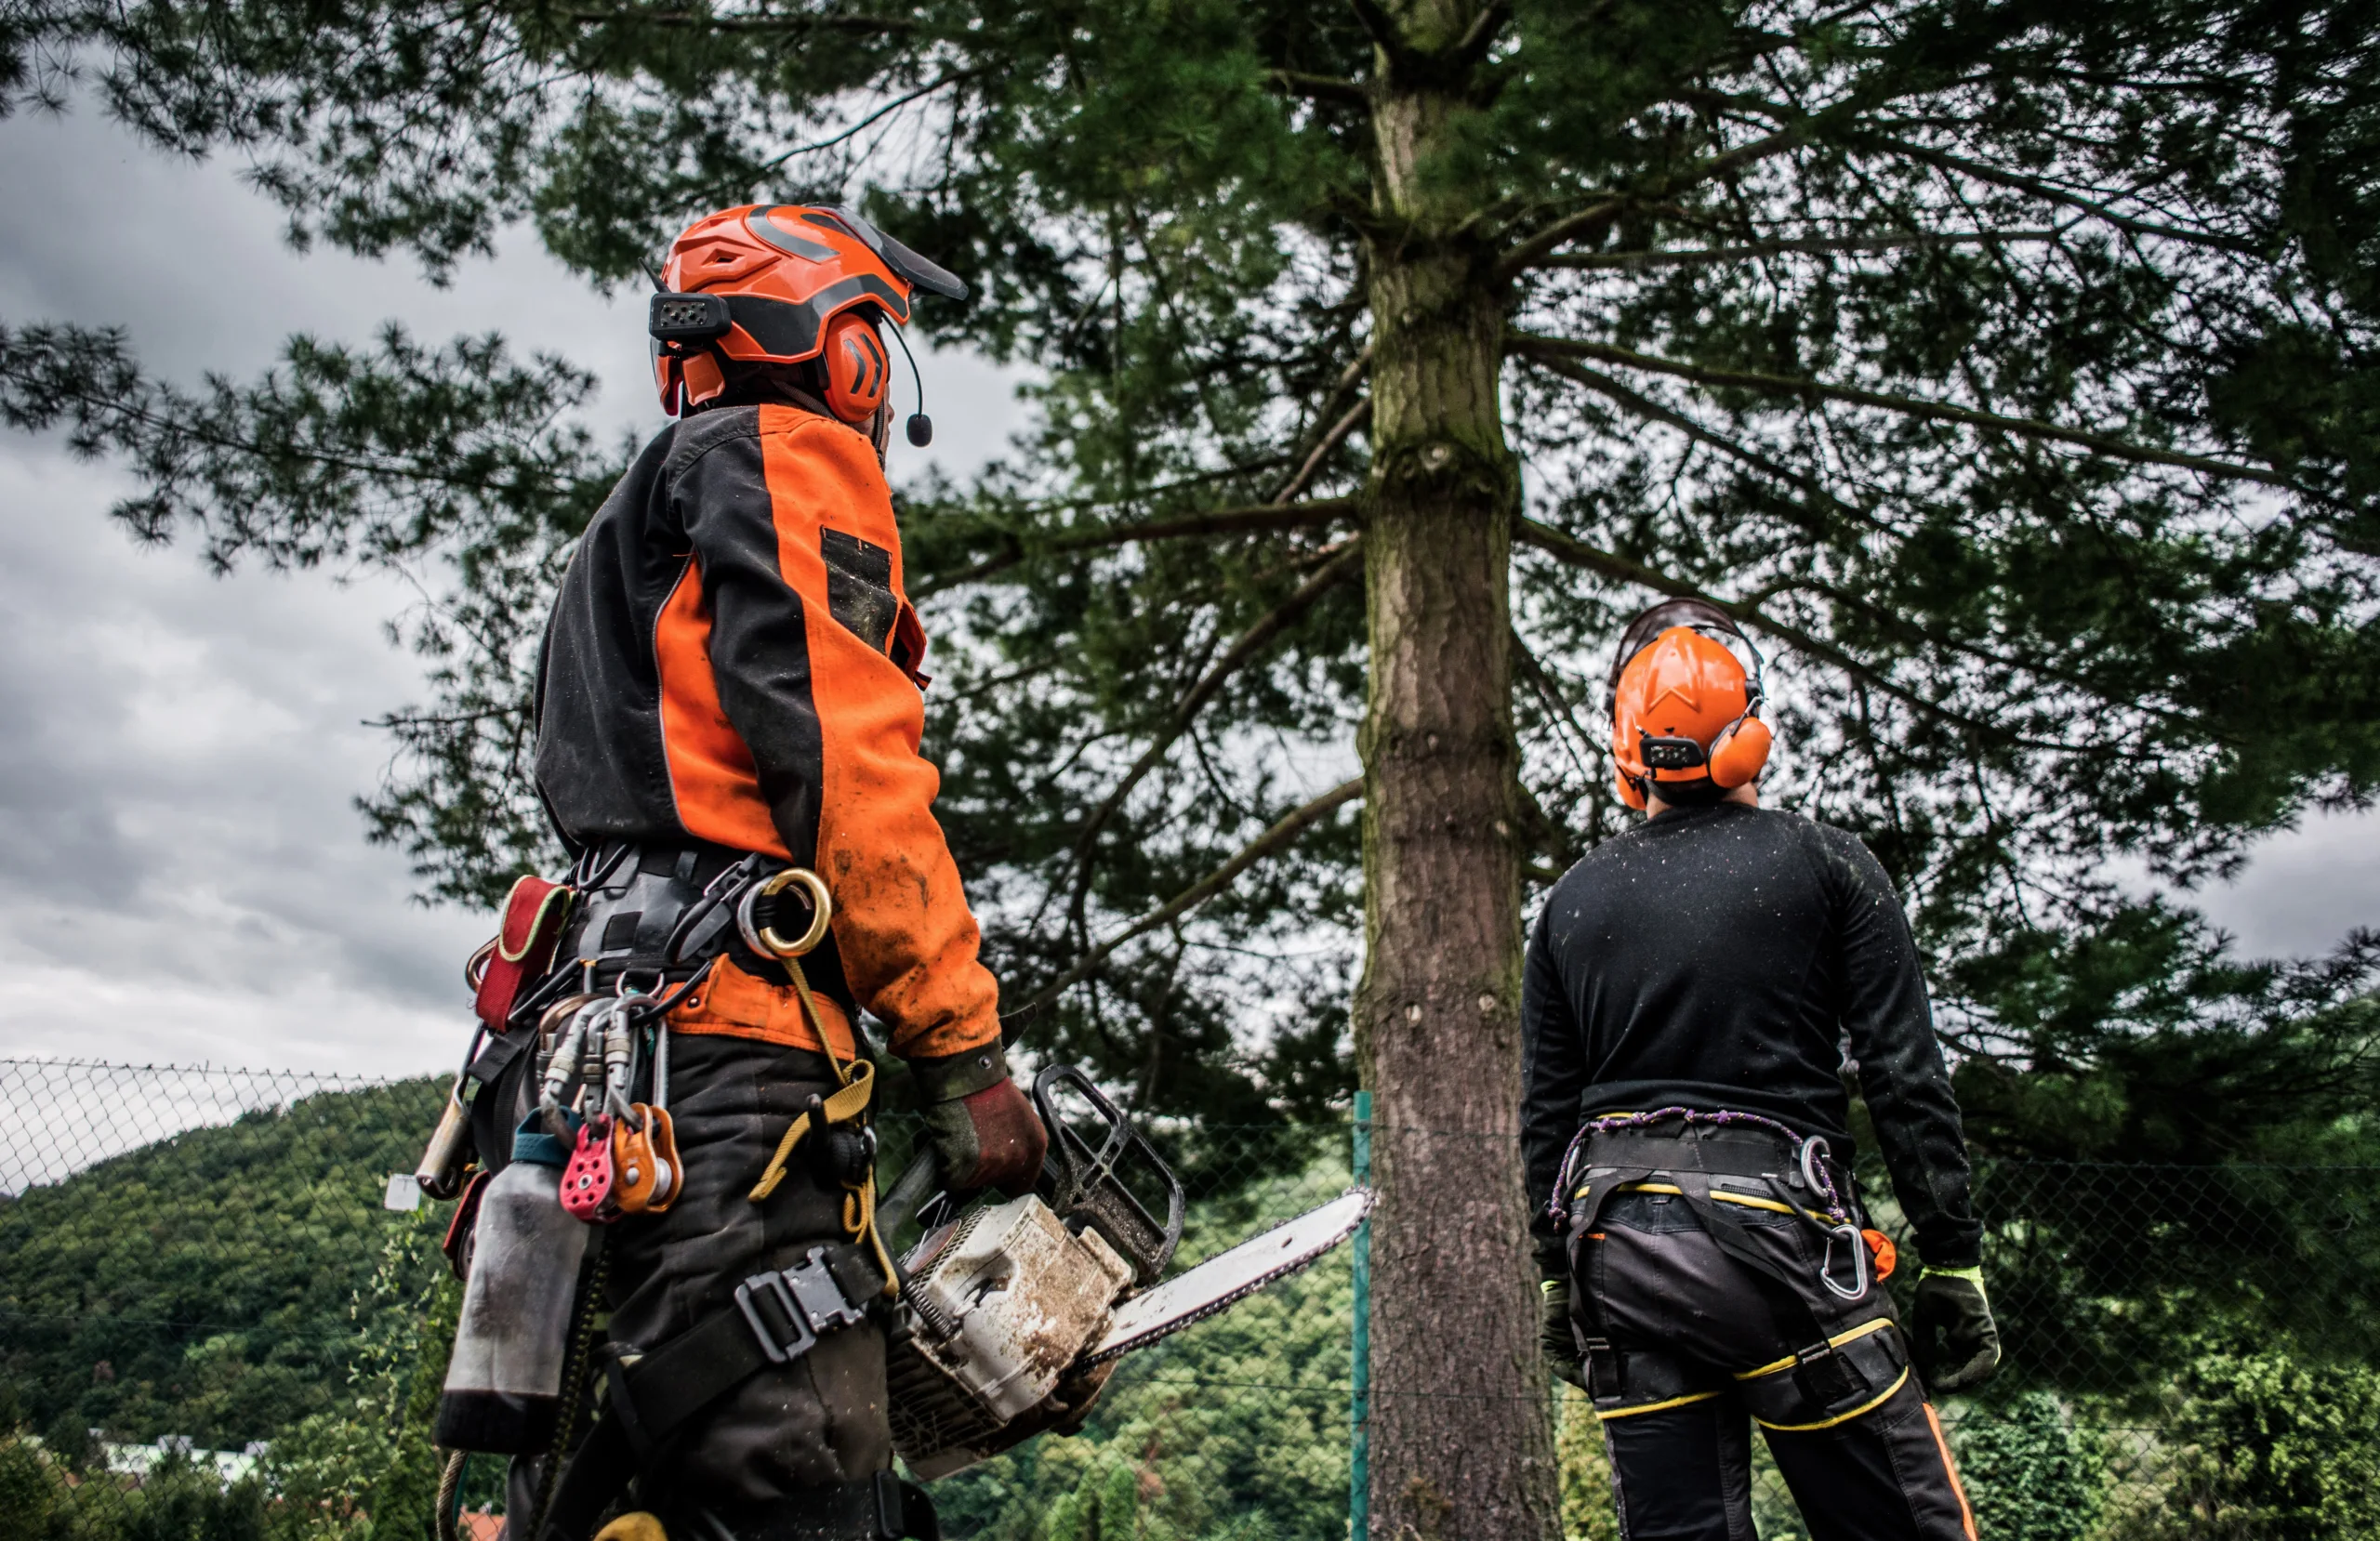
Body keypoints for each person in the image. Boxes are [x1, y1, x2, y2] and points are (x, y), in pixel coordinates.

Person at [513, 204, 1044, 1541]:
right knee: (790, 1474)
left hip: (593, 1045)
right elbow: (853, 772)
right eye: (875, 345)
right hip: (730, 1056)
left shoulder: (630, 523)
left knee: (619, 1479)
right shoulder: (789, 456)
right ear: (841, 345)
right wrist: (963, 1050)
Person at [1521, 599, 1999, 1540]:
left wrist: (1553, 1279)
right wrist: (1951, 1255)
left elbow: (1547, 1114)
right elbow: (1904, 1074)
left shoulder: (1571, 901)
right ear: (1751, 734)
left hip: (1617, 1258)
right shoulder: (1827, 865)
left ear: (1628, 752)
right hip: (1785, 1252)